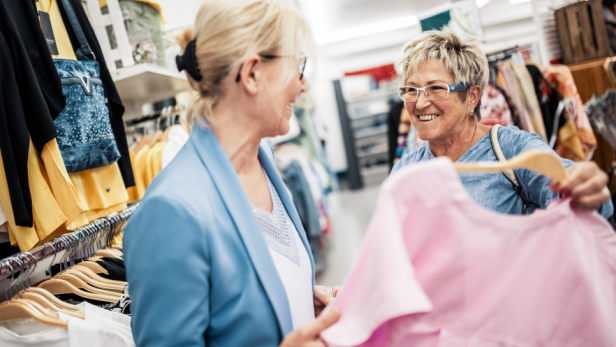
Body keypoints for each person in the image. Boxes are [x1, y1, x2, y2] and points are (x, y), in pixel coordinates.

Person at [123, 1, 341, 346]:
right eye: (297, 66)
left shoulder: (263, 160)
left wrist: (293, 305)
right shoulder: (171, 211)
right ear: (252, 73)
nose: (304, 85)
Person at [392, 29, 613, 218]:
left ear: (472, 96)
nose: (419, 103)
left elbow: (568, 191)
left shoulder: (512, 149)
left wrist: (584, 189)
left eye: (436, 89)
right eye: (412, 90)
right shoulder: (406, 171)